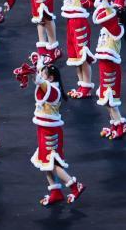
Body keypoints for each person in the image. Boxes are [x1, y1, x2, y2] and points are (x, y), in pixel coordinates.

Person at [27, 64, 86, 205]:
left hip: (50, 131)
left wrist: (33, 72)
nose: (41, 75)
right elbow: (39, 81)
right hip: (44, 129)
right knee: (44, 161)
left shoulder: (53, 90)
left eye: (44, 74)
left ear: (51, 78)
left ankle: (75, 185)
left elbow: (39, 81)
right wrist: (34, 70)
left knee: (51, 162)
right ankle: (55, 192)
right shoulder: (49, 87)